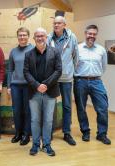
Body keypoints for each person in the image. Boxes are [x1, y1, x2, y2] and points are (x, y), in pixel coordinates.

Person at [24, 28, 62, 156]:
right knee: (35, 119)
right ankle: (35, 145)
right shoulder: (28, 54)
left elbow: (58, 70)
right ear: (34, 38)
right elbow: (26, 72)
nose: (40, 38)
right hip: (34, 92)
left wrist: (45, 84)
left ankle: (46, 145)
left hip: (50, 91)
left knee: (48, 120)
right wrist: (37, 85)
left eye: (42, 36)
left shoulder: (55, 52)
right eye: (37, 36)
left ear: (46, 37)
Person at [74, 25, 111, 145]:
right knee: (81, 108)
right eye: (90, 33)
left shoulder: (101, 50)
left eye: (94, 34)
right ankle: (85, 131)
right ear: (85, 33)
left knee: (103, 108)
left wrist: (95, 75)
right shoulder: (77, 48)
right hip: (80, 81)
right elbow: (73, 65)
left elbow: (103, 66)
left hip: (96, 81)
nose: (92, 36)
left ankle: (102, 134)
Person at [47, 16, 79, 146]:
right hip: (53, 78)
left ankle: (67, 132)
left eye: (59, 23)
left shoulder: (72, 38)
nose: (56, 25)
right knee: (50, 106)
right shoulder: (49, 38)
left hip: (66, 78)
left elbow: (76, 57)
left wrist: (70, 71)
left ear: (64, 25)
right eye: (55, 23)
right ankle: (49, 131)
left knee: (67, 106)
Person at [7, 27, 33, 145]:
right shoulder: (13, 51)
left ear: (28, 36)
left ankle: (26, 134)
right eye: (20, 35)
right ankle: (18, 133)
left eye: (24, 35)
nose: (22, 37)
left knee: (27, 111)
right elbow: (10, 70)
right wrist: (8, 86)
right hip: (15, 86)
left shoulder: (33, 49)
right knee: (16, 110)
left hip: (29, 86)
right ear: (17, 37)